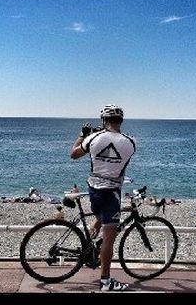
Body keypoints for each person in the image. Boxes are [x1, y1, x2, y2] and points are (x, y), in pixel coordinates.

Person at [69, 104, 136, 291]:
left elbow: (73, 154)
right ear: (120, 121)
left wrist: (83, 135)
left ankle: (89, 247)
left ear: (103, 120)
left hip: (94, 190)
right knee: (109, 239)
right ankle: (106, 281)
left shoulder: (93, 138)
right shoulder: (131, 142)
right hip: (112, 192)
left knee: (99, 218)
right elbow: (121, 162)